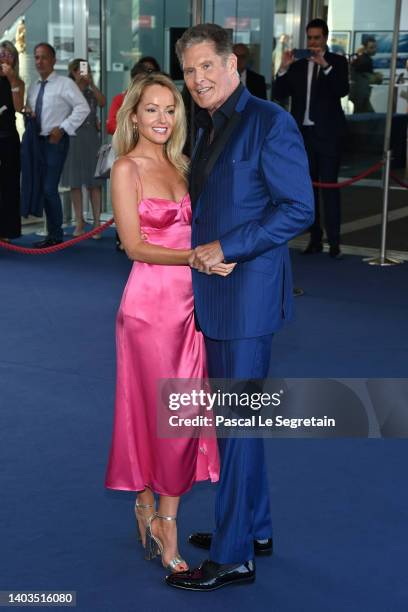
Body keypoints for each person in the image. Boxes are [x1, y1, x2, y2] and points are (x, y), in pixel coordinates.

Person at [165, 23, 314, 591]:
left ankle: (233, 556)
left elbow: (297, 208)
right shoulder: (207, 124)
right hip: (221, 296)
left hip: (246, 298)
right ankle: (255, 527)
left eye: (208, 66)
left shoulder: (269, 122)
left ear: (234, 66)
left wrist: (228, 246)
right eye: (190, 69)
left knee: (237, 424)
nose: (198, 78)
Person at [104, 72, 235, 573]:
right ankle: (159, 518)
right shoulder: (126, 167)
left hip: (191, 306)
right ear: (133, 115)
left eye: (170, 109)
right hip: (150, 310)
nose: (162, 119)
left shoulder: (181, 164)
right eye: (152, 109)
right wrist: (197, 259)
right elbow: (134, 246)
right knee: (161, 414)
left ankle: (158, 512)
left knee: (181, 413)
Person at [273, 18, 349, 259]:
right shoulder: (297, 64)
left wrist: (325, 65)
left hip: (328, 137)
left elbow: (342, 90)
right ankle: (314, 238)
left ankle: (334, 241)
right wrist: (283, 67)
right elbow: (278, 94)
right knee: (308, 191)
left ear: (325, 38)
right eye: (310, 38)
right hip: (302, 137)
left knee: (330, 188)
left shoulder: (337, 62)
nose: (313, 42)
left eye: (317, 38)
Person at [25, 43, 90, 248]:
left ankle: (55, 235)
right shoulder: (34, 86)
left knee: (48, 188)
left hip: (55, 142)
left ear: (53, 60)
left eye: (44, 57)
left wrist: (62, 128)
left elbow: (83, 108)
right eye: (36, 57)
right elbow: (34, 109)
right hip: (37, 142)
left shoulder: (64, 83)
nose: (39, 61)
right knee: (41, 187)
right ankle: (52, 233)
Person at [106, 56, 161, 251]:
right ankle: (124, 235)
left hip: (151, 156)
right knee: (126, 196)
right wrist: (132, 127)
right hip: (127, 152)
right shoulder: (121, 99)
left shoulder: (156, 101)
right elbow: (110, 124)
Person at [61, 58, 106, 237]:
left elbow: (102, 102)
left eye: (85, 70)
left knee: (94, 183)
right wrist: (78, 85)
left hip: (90, 137)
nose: (82, 73)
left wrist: (91, 84)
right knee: (75, 182)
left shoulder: (91, 91)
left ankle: (96, 222)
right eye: (78, 70)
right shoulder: (67, 91)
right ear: (72, 72)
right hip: (72, 137)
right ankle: (79, 221)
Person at [0, 40, 24, 241]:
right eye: (2, 54)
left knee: (9, 185)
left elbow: (18, 107)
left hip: (8, 138)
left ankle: (6, 232)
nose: (4, 58)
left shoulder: (17, 81)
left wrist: (12, 80)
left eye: (8, 55)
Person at [350, 37, 383, 114]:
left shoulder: (361, 59)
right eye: (371, 47)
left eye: (375, 47)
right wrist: (377, 77)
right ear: (365, 48)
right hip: (361, 94)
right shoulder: (364, 61)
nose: (374, 49)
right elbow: (365, 77)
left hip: (360, 94)